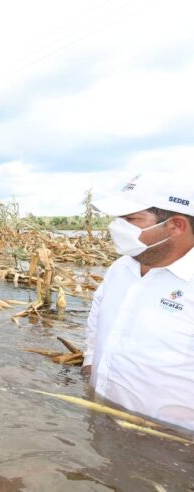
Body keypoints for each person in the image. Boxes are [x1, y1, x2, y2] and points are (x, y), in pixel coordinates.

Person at [82, 173, 194, 431]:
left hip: (171, 442)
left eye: (130, 219)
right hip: (102, 417)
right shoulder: (121, 268)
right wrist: (90, 358)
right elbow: (98, 314)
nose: (116, 226)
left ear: (176, 225)